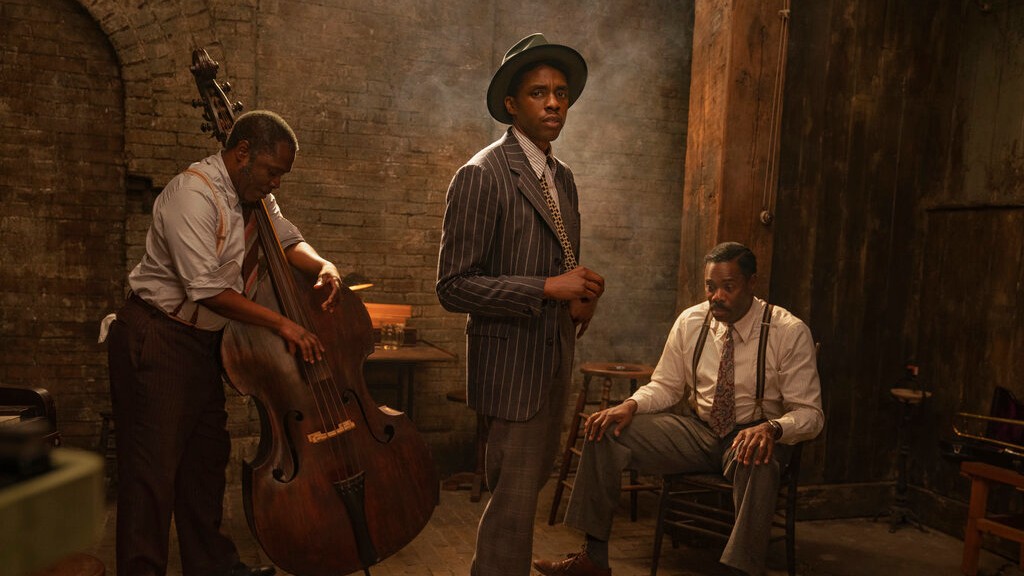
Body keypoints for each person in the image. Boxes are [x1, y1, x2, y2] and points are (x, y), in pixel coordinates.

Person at [106, 110, 343, 576]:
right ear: (241, 154)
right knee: (151, 476)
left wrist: (324, 266)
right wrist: (283, 324)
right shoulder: (192, 195)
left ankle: (212, 568)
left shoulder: (255, 196)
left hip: (200, 343)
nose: (277, 183)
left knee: (204, 463)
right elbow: (207, 289)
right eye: (273, 171)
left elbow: (288, 240)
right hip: (157, 335)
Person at [534, 242, 824, 576]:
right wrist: (630, 405)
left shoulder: (787, 331)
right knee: (605, 430)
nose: (716, 296)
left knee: (756, 458)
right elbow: (666, 386)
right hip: (699, 433)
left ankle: (742, 569)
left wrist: (772, 428)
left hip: (755, 436)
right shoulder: (691, 322)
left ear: (752, 283)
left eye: (728, 287)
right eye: (710, 286)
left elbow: (811, 414)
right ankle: (593, 559)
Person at [436, 33, 606, 576]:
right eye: (538, 92)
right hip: (511, 365)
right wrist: (545, 289)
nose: (554, 102)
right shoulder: (482, 174)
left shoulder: (564, 178)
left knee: (524, 492)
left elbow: (559, 262)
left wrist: (580, 296)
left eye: (560, 92)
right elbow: (453, 286)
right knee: (511, 505)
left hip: (552, 354)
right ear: (512, 104)